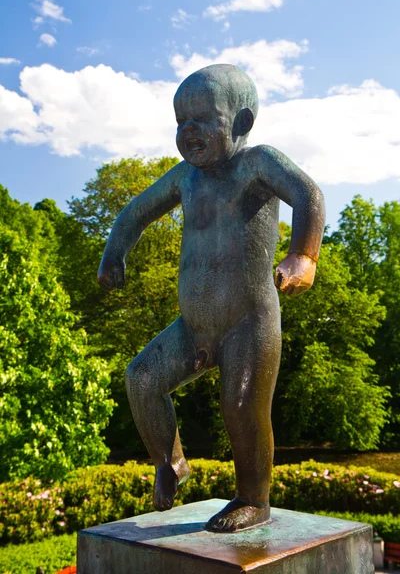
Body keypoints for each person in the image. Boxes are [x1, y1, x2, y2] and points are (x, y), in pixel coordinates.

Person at [98, 64, 325, 533]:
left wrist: (303, 256)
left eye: (202, 119)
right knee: (141, 379)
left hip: (249, 321)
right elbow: (135, 213)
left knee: (241, 406)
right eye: (181, 122)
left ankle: (253, 499)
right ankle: (170, 461)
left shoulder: (257, 163)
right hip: (193, 326)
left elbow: (308, 194)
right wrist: (114, 254)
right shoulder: (185, 178)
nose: (188, 131)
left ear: (241, 122)